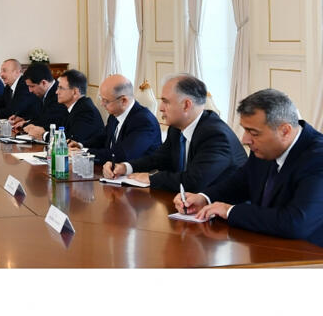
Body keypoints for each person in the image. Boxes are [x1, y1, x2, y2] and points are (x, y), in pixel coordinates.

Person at [176, 89, 323, 247]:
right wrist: (204, 198)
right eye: (245, 130)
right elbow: (241, 183)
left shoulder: (318, 158)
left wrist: (230, 211)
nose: (245, 140)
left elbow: (295, 222)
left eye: (254, 133)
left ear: (285, 131)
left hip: (308, 254)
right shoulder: (264, 147)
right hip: (264, 246)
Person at [103, 73, 247, 192]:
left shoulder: (215, 135)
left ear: (186, 105)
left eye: (166, 101)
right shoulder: (177, 128)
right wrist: (125, 167)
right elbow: (158, 159)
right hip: (188, 205)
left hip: (222, 211)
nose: (161, 108)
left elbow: (194, 181)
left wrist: (151, 178)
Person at [71, 74, 161, 164]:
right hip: (112, 168)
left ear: (123, 100)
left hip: (138, 171)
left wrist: (83, 153)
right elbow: (103, 138)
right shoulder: (115, 113)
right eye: (101, 98)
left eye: (106, 101)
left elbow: (122, 155)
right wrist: (80, 146)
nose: (102, 104)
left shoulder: (144, 122)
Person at [42, 69, 104, 146]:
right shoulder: (73, 107)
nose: (56, 92)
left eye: (61, 88)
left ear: (75, 92)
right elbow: (62, 131)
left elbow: (72, 141)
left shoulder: (86, 111)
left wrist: (44, 135)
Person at [13, 62, 67, 136]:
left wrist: (26, 124)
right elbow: (38, 116)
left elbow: (48, 121)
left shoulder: (58, 94)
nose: (30, 90)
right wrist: (26, 121)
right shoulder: (41, 93)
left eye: (32, 86)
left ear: (44, 83)